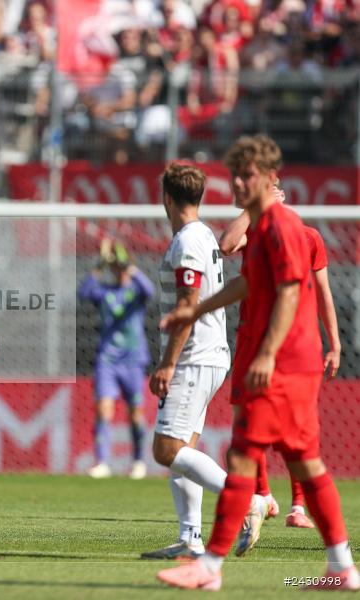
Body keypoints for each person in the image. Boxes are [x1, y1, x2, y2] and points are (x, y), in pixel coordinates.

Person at [158, 134, 357, 591]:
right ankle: (342, 568)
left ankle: (208, 568)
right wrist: (197, 309)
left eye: (247, 176)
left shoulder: (283, 227)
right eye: (235, 176)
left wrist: (266, 353)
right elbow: (247, 283)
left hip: (284, 361)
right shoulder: (263, 225)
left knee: (244, 454)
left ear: (269, 178)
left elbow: (289, 292)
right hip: (290, 360)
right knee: (305, 462)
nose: (237, 185)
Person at [219, 183, 342, 535]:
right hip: (250, 338)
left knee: (296, 429)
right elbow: (226, 244)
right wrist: (252, 210)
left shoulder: (308, 239)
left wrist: (334, 342)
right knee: (246, 422)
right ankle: (263, 496)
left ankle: (298, 507)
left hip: (293, 347)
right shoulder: (253, 233)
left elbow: (323, 293)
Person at [140, 163, 230, 559]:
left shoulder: (187, 242)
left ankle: (246, 499)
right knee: (183, 447)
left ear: (167, 199)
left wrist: (167, 363)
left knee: (165, 449)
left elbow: (187, 306)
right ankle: (191, 539)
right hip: (208, 354)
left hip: (193, 357)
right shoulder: (204, 234)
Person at [77, 239, 153, 479]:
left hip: (133, 360)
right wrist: (100, 264)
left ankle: (138, 461)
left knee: (135, 414)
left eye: (118, 266)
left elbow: (149, 290)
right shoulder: (105, 292)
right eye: (114, 267)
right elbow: (84, 291)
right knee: (103, 410)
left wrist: (128, 265)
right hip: (108, 360)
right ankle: (102, 462)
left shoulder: (135, 293)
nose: (116, 270)